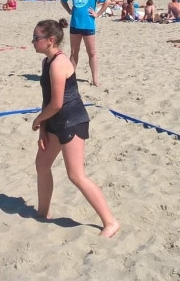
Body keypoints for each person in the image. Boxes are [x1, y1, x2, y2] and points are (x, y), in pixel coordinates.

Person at [30, 18, 119, 237]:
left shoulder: (60, 63)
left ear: (50, 40)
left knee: (76, 175)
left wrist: (38, 119)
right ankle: (43, 212)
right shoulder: (46, 63)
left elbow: (57, 103)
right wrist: (42, 127)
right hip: (55, 121)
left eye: (36, 38)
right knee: (42, 165)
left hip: (72, 120)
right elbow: (47, 99)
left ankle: (110, 222)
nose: (33, 41)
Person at [61, 0, 111, 86]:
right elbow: (63, 0)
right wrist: (69, 11)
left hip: (88, 25)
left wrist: (97, 13)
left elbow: (107, 1)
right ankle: (70, 78)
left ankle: (95, 79)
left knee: (92, 52)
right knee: (74, 53)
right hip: (75, 25)